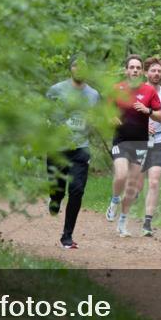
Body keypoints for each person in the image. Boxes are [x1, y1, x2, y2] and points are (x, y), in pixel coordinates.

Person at [45, 55, 100, 249]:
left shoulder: (94, 95)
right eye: (76, 65)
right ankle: (55, 199)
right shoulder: (56, 90)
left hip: (81, 148)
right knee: (58, 188)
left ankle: (66, 236)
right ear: (71, 68)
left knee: (77, 190)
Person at [106, 54, 161, 237]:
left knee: (131, 187)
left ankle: (123, 220)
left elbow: (160, 116)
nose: (135, 70)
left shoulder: (149, 91)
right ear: (126, 70)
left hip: (140, 142)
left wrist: (148, 111)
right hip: (121, 140)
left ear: (142, 71)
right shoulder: (117, 89)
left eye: (138, 68)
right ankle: (114, 200)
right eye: (132, 67)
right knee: (121, 175)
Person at [136, 56, 161, 237]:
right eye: (153, 70)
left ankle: (147, 222)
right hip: (137, 140)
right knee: (135, 183)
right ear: (145, 72)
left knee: (154, 181)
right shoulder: (136, 90)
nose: (157, 73)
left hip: (158, 141)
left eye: (159, 71)